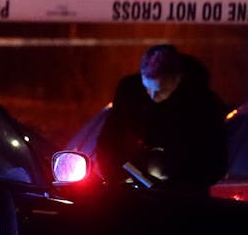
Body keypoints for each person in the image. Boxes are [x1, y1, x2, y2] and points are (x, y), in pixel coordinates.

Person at [95, 43, 228, 193]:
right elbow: (109, 139)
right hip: (134, 188)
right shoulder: (130, 96)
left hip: (185, 196)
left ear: (178, 79)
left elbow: (215, 157)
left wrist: (181, 180)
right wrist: (115, 175)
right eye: (147, 88)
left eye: (161, 91)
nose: (152, 96)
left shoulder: (203, 104)